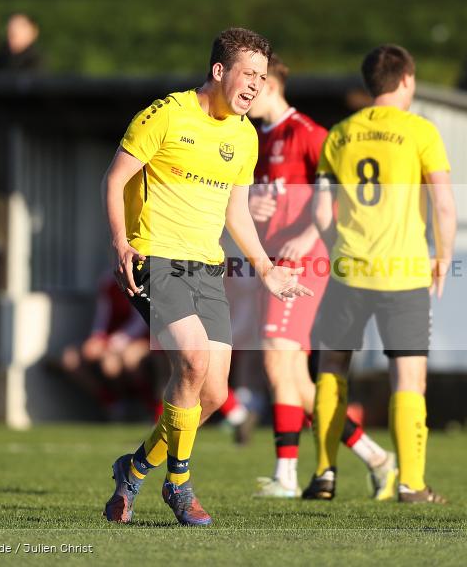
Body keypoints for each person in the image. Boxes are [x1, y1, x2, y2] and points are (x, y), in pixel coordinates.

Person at [100, 28, 311, 527]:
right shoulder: (166, 114)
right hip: (156, 259)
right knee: (192, 362)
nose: (256, 85)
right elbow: (115, 178)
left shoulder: (244, 136)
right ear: (219, 71)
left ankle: (134, 469)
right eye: (248, 74)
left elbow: (237, 212)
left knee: (213, 395)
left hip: (206, 269)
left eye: (263, 77)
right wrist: (121, 242)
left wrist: (266, 269)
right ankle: (179, 485)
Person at [307, 44, 456, 504]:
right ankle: (411, 483)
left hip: (349, 270)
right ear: (406, 80)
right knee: (408, 378)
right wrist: (444, 256)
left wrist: (336, 251)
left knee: (332, 367)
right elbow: (444, 203)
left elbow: (320, 211)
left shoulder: (340, 134)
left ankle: (324, 475)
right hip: (403, 273)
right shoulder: (420, 131)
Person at [245, 55, 397, 499]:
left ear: (270, 85)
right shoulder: (256, 138)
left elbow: (343, 194)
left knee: (276, 360)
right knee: (295, 380)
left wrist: (309, 234)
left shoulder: (308, 134)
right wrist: (252, 205)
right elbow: (259, 201)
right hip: (272, 265)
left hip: (303, 264)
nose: (245, 96)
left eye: (253, 85)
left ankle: (287, 476)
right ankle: (376, 456)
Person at [59, 274, 154, 420]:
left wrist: (114, 342)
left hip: (141, 339)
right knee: (70, 359)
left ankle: (149, 407)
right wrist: (97, 338)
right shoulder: (108, 282)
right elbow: (102, 316)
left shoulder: (142, 279)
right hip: (111, 341)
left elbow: (141, 320)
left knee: (116, 362)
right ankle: (111, 402)